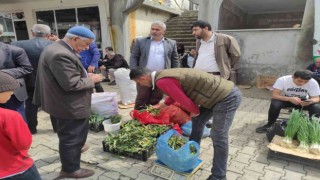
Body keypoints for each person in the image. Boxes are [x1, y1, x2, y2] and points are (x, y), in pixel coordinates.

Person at [129, 68, 242, 180]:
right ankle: (191, 152)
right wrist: (163, 105)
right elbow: (175, 93)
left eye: (139, 83)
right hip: (215, 97)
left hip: (226, 97)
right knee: (197, 121)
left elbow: (183, 99)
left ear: (143, 78)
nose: (141, 85)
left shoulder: (161, 81)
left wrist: (194, 111)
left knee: (218, 136)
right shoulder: (162, 75)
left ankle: (219, 176)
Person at [34, 26, 104, 179]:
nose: (86, 48)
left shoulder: (56, 47)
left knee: (69, 135)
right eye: (85, 44)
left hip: (61, 102)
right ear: (74, 39)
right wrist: (92, 80)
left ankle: (74, 150)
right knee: (71, 136)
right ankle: (70, 169)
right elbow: (71, 84)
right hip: (69, 105)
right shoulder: (60, 54)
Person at [11, 24, 53, 134]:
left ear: (33, 33)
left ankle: (31, 129)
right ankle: (57, 128)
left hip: (28, 81)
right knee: (53, 104)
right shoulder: (54, 45)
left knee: (30, 105)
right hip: (50, 82)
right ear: (48, 35)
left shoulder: (17, 44)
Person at [0, 71, 41, 180]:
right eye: (9, 90)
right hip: (16, 169)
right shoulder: (9, 117)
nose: (12, 93)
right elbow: (23, 144)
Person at [130, 21, 179, 110]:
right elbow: (134, 56)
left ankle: (151, 117)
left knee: (156, 97)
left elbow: (175, 60)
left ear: (164, 31)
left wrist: (176, 74)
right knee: (142, 96)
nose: (154, 31)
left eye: (157, 30)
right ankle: (137, 117)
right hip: (144, 76)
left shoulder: (171, 43)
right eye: (152, 29)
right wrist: (134, 72)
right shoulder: (141, 41)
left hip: (161, 76)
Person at [256, 70, 320, 133]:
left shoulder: (313, 82)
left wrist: (310, 101)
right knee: (275, 104)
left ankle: (311, 128)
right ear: (293, 77)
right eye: (300, 81)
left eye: (306, 82)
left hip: (302, 102)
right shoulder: (282, 80)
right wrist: (290, 99)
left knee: (316, 107)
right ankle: (269, 125)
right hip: (285, 99)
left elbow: (316, 98)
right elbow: (274, 95)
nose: (302, 83)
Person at [0, 23, 33, 123]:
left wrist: (2, 73)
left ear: (0, 33)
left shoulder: (15, 50)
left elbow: (27, 68)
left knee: (18, 121)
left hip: (13, 93)